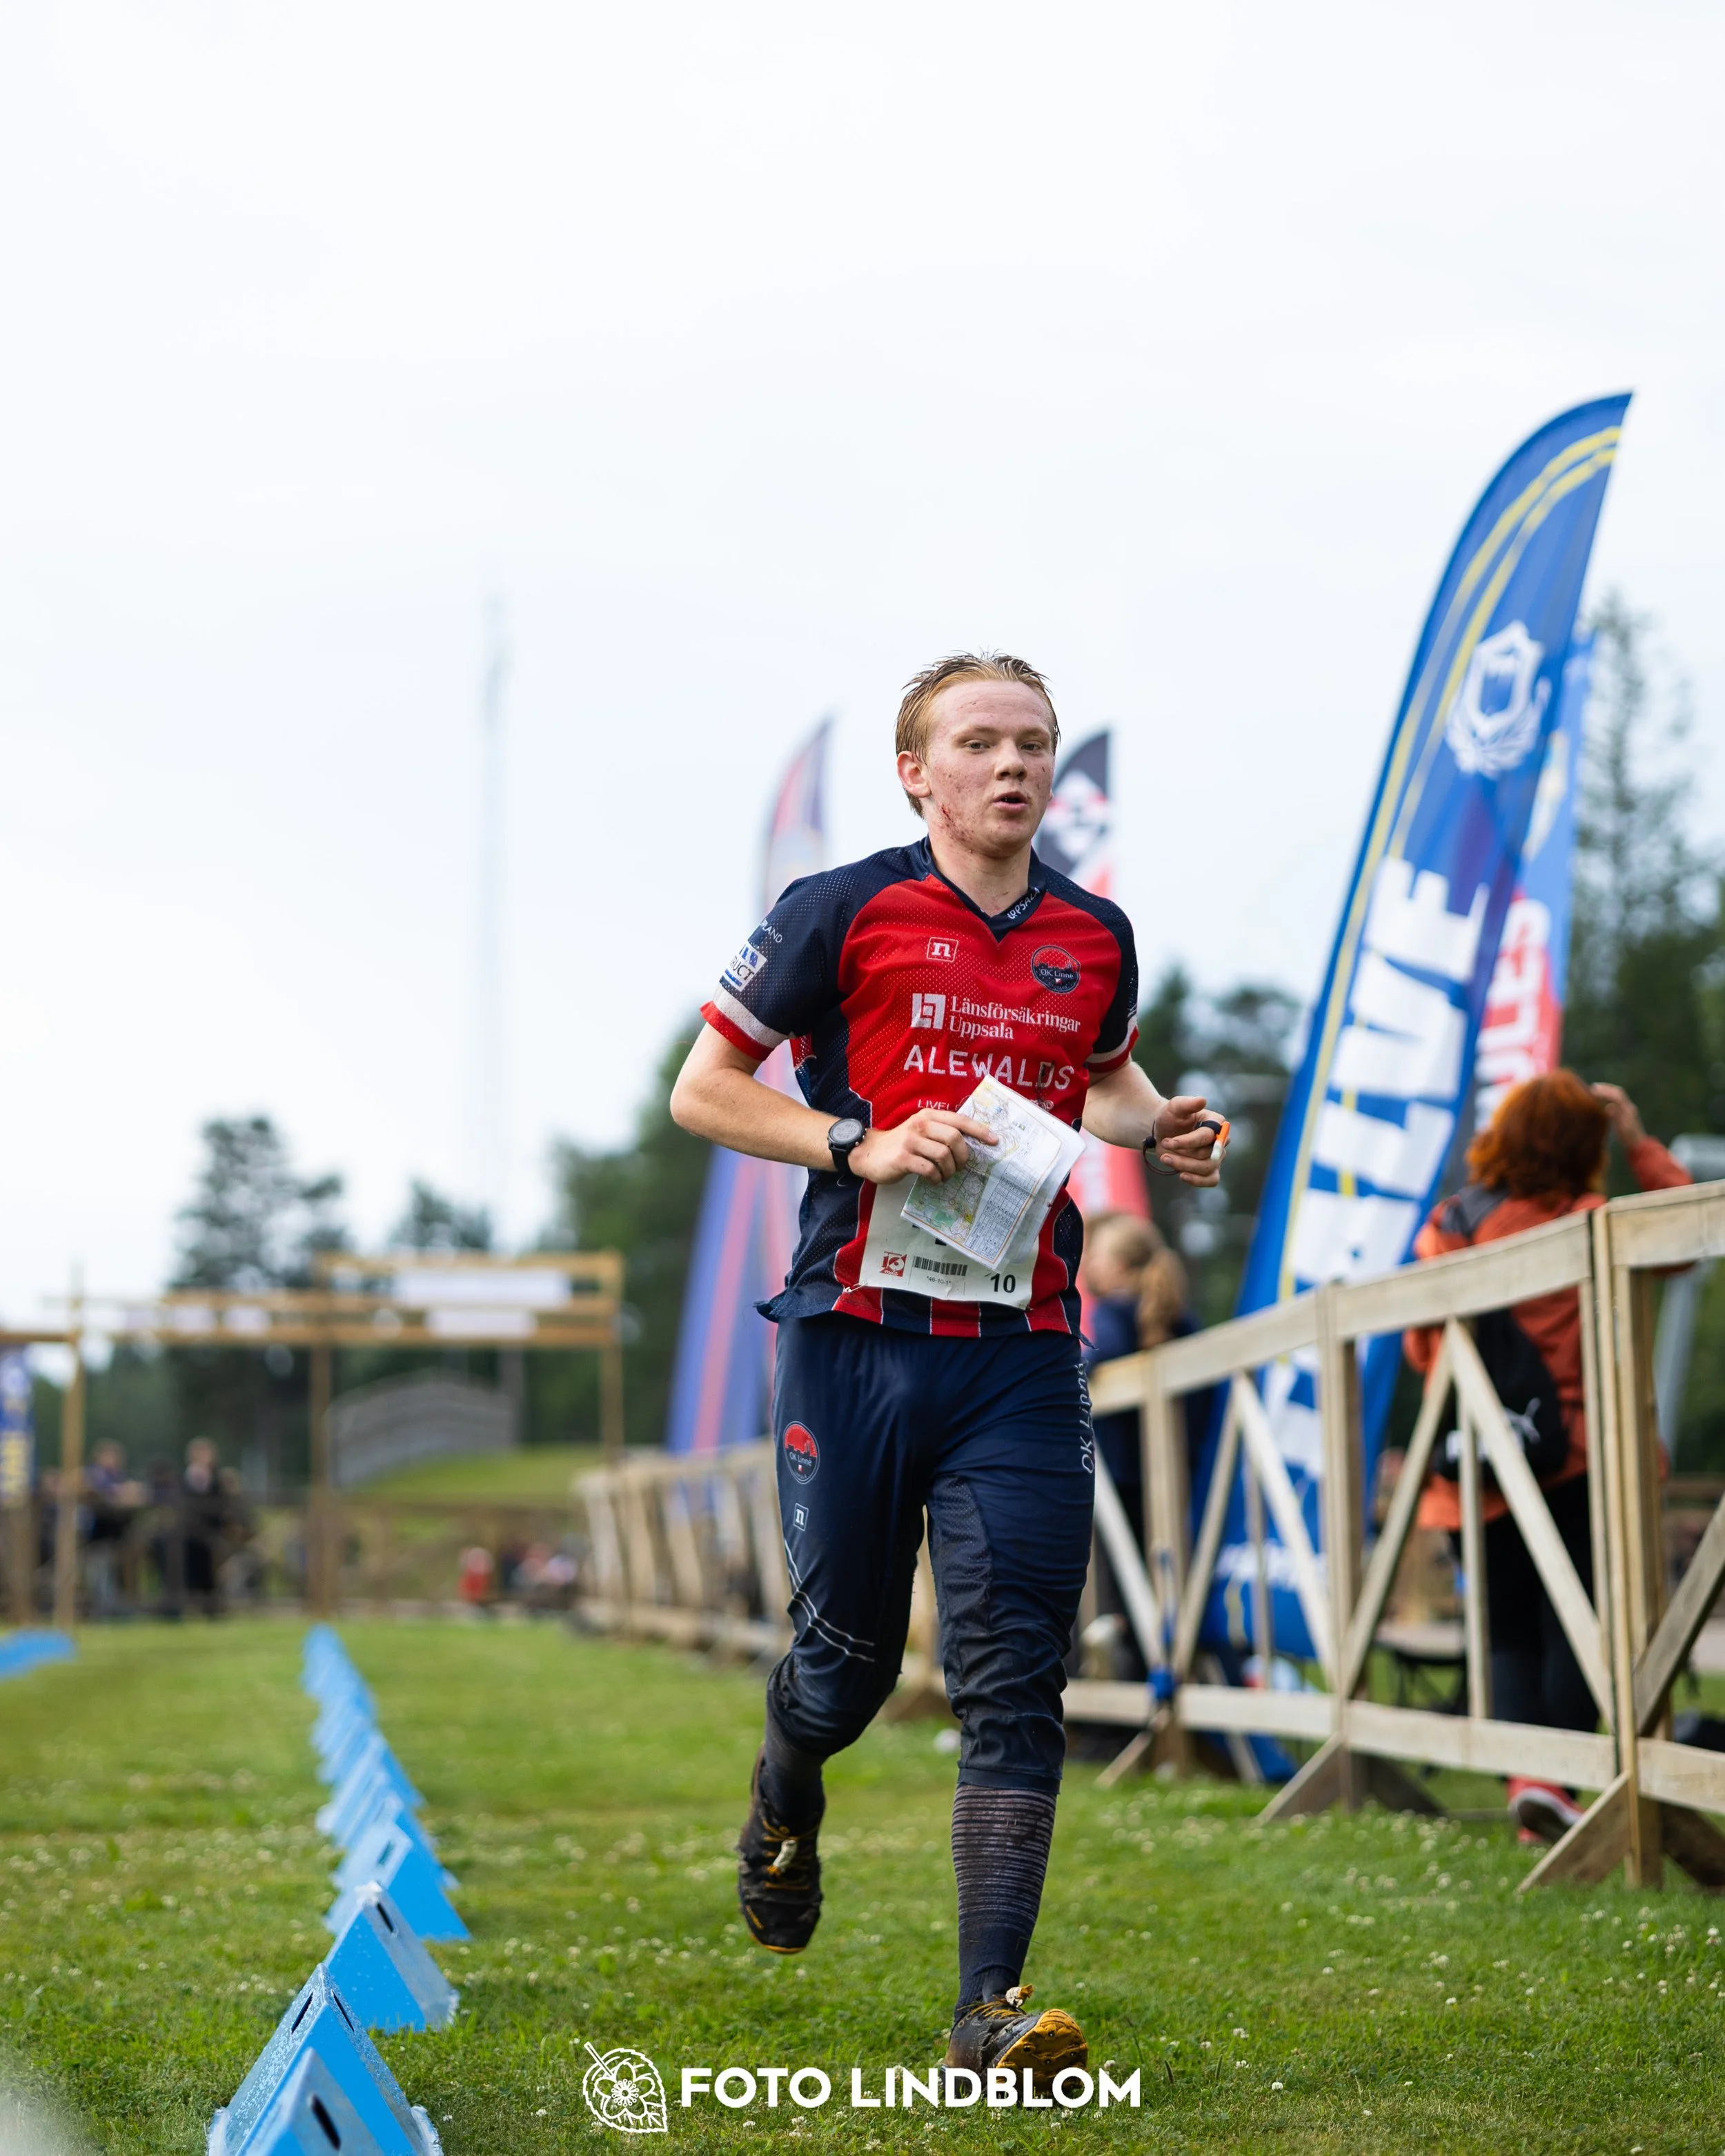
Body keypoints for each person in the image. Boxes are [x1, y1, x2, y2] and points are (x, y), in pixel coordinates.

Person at [670, 651, 1225, 2088]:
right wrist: (857, 1143)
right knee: (846, 1668)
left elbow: (1091, 1072)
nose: (1012, 764)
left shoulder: (1092, 932)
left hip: (1018, 1349)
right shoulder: (839, 909)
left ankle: (990, 2007)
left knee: (1012, 1665)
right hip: (852, 1337)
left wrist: (1156, 1120)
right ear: (916, 772)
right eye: (976, 742)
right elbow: (705, 1087)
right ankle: (786, 1782)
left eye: (1030, 742)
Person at [1402, 1071, 1689, 1843]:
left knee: (1504, 1630)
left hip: (1483, 1465)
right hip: (1584, 1458)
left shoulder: (1451, 1222)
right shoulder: (1593, 1219)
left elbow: (1421, 1346)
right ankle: (1558, 1794)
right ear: (1581, 1145)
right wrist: (1637, 1137)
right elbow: (1685, 1242)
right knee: (1579, 1626)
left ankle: (1532, 1786)